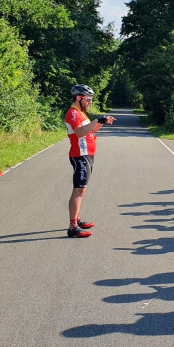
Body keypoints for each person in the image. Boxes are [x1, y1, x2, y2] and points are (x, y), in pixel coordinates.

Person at [65, 84, 115, 238]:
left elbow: (90, 130)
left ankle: (77, 219)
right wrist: (97, 119)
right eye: (88, 99)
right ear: (78, 98)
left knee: (82, 190)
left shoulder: (82, 113)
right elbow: (80, 132)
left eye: (91, 99)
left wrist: (101, 122)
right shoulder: (73, 113)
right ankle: (73, 226)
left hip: (87, 154)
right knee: (78, 190)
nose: (90, 102)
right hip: (80, 154)